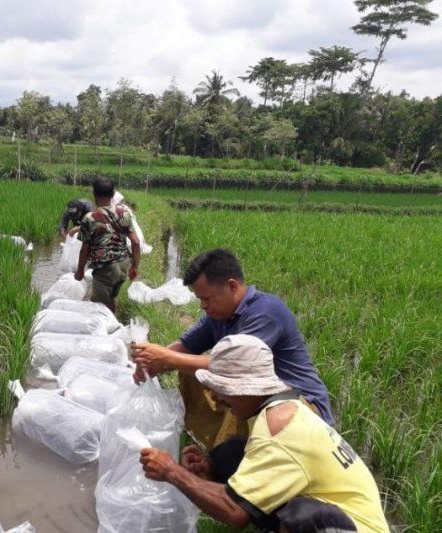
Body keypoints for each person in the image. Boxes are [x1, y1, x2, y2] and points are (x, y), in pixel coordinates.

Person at [139, 335, 389, 532]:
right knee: (234, 451)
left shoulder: (278, 429)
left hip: (352, 527)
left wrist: (173, 472)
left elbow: (234, 513)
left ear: (245, 389)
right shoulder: (278, 406)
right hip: (334, 510)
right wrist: (208, 473)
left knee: (301, 517)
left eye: (223, 391)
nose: (220, 399)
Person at [132, 248, 333, 448]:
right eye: (200, 299)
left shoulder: (265, 312)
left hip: (298, 403)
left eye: (207, 298)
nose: (202, 306)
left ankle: (228, 458)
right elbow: (184, 348)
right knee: (189, 369)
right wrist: (152, 361)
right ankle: (215, 445)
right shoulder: (217, 315)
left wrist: (165, 357)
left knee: (232, 382)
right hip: (258, 397)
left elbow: (234, 368)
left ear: (232, 286)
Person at [74, 177, 140, 314]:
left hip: (106, 267)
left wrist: (80, 270)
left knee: (98, 307)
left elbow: (84, 250)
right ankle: (113, 326)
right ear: (112, 195)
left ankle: (102, 333)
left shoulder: (90, 218)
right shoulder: (124, 213)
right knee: (110, 298)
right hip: (123, 264)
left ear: (95, 195)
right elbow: (136, 242)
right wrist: (135, 266)